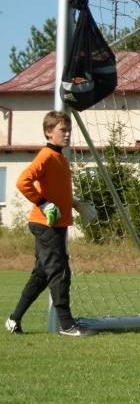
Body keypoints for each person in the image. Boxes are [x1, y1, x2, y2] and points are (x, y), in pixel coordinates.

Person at [5, 111, 98, 337]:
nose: (67, 134)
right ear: (49, 132)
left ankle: (13, 320)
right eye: (62, 130)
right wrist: (43, 203)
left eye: (69, 130)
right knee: (59, 271)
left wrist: (74, 203)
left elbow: (56, 191)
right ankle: (67, 326)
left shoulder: (60, 158)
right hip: (45, 225)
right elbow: (22, 181)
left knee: (42, 275)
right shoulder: (46, 155)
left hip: (56, 224)